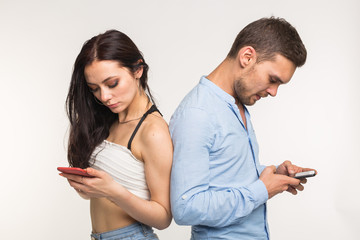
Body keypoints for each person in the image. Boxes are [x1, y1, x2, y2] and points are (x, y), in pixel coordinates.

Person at [169, 17, 316, 239]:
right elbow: (186, 207)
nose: (274, 92)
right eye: (272, 79)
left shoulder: (237, 103)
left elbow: (226, 177)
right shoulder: (197, 114)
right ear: (247, 57)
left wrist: (273, 174)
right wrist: (261, 190)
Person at [60, 30, 173, 240]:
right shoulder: (109, 120)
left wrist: (113, 191)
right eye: (94, 88)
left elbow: (163, 217)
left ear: (137, 70)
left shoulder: (152, 131)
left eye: (112, 84)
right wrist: (87, 188)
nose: (104, 96)